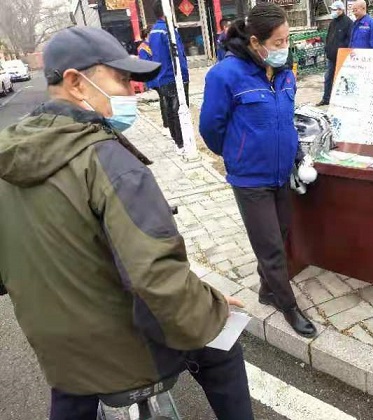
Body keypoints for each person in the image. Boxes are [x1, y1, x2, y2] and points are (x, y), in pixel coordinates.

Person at [0, 27, 254, 420]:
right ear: (75, 82)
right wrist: (213, 305)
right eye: (120, 79)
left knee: (73, 388)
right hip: (124, 349)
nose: (132, 91)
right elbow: (157, 280)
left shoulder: (10, 158)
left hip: (59, 352)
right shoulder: (109, 162)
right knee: (223, 344)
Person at [199, 3, 317, 338]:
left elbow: (286, 120)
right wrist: (237, 154)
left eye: (287, 39)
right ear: (255, 42)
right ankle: (288, 306)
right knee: (271, 247)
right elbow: (210, 128)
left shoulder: (284, 73)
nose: (285, 47)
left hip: (281, 172)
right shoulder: (225, 75)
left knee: (281, 233)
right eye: (278, 42)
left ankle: (267, 290)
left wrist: (295, 155)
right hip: (250, 178)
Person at [149, 0, 190, 155]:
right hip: (174, 75)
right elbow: (177, 54)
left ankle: (177, 143)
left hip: (162, 76)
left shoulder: (154, 31)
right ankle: (183, 143)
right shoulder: (168, 31)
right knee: (180, 109)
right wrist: (184, 75)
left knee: (171, 111)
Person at [317, 0, 353, 107]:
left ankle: (343, 100)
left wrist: (342, 49)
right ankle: (326, 98)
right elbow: (329, 37)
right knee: (328, 78)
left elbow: (349, 40)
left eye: (334, 9)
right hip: (331, 56)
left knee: (343, 78)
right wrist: (327, 48)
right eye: (332, 9)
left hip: (342, 56)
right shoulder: (333, 22)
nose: (332, 11)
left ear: (340, 10)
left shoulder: (348, 23)